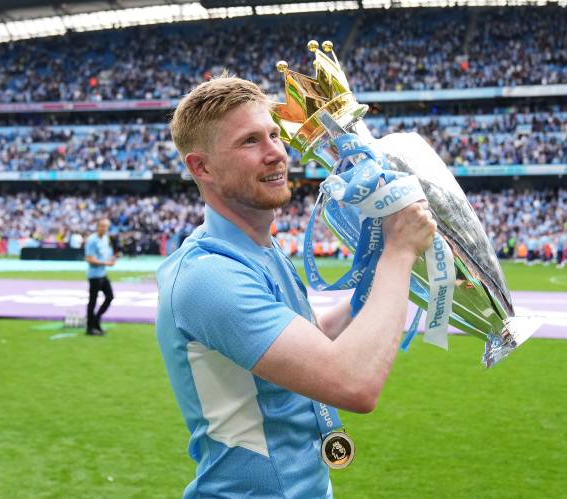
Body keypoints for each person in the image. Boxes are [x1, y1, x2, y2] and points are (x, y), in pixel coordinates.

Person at [156, 76, 436, 498]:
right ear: (202, 167)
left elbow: (306, 339)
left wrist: (380, 279)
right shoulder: (209, 277)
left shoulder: (259, 250)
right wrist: (398, 253)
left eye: (273, 134)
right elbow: (353, 384)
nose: (276, 152)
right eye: (250, 141)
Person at [84, 218, 116, 336]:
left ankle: (96, 320)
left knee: (110, 296)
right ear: (97, 226)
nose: (104, 228)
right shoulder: (92, 240)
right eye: (102, 226)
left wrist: (111, 259)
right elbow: (89, 258)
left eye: (106, 226)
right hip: (94, 275)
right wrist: (106, 263)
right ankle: (90, 327)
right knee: (92, 301)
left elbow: (104, 253)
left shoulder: (105, 238)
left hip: (102, 273)